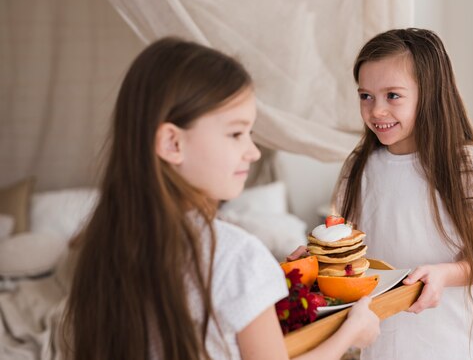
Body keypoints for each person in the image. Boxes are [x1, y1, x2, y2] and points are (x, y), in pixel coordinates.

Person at [59, 37, 380, 360]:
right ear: (172, 143)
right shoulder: (237, 256)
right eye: (236, 133)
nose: (253, 152)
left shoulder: (103, 246)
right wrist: (351, 333)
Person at [327, 28, 473, 360]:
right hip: (382, 340)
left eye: (392, 95)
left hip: (450, 340)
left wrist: (443, 274)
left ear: (429, 94)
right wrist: (317, 260)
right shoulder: (358, 166)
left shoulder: (463, 162)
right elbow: (344, 249)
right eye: (365, 96)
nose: (376, 110)